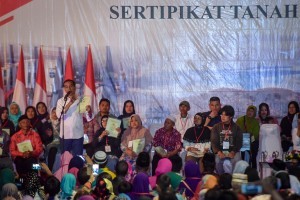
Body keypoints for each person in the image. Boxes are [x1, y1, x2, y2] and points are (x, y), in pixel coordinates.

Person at [56, 79, 88, 156]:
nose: (69, 89)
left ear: (74, 88)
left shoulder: (82, 100)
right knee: (65, 158)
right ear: (64, 89)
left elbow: (88, 117)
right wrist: (70, 103)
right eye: (66, 87)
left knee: (77, 158)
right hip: (65, 134)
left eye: (71, 86)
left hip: (78, 134)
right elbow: (59, 116)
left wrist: (89, 111)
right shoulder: (60, 101)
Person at [211, 105, 243, 174]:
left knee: (237, 161)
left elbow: (239, 142)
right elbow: (214, 142)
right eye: (221, 115)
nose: (222, 117)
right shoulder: (216, 127)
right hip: (220, 150)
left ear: (231, 116)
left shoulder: (237, 128)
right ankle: (221, 178)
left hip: (233, 150)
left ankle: (234, 179)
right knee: (217, 161)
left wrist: (233, 152)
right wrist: (219, 152)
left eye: (225, 115)